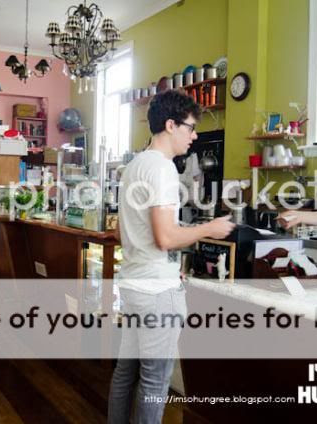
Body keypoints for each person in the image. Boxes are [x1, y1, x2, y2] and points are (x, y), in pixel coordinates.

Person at [108, 90, 235, 424]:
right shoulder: (163, 169)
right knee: (154, 381)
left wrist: (164, 265)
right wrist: (210, 228)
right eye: (190, 127)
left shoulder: (134, 166)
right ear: (170, 125)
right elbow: (165, 237)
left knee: (125, 373)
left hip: (134, 285)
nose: (194, 136)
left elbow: (126, 233)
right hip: (156, 293)